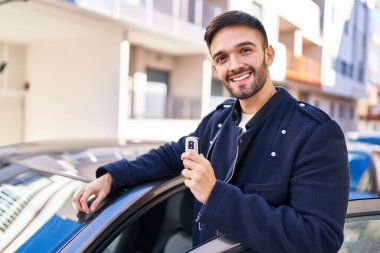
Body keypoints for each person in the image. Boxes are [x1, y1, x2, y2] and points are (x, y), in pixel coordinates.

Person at [73, 10, 349, 253]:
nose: (234, 65)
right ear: (216, 68)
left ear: (268, 54)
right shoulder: (217, 122)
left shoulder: (315, 133)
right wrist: (112, 176)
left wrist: (215, 195)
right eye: (221, 58)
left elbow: (319, 239)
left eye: (245, 50)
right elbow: (171, 156)